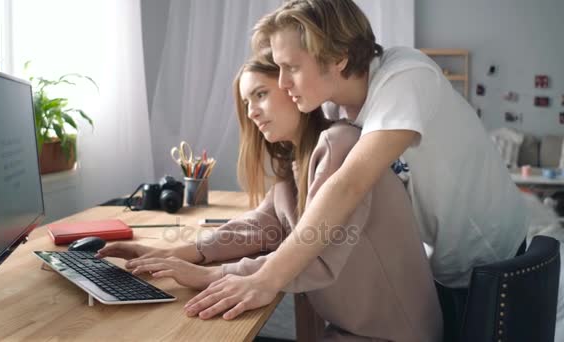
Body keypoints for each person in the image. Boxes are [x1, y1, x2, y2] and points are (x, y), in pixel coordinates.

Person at [182, 0, 535, 338]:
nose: (284, 82)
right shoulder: (339, 110)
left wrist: (267, 279)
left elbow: (348, 185)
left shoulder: (405, 77)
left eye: (291, 67)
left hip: (493, 259)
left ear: (338, 57)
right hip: (445, 264)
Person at [98, 54, 443, 341]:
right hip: (352, 330)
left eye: (260, 94)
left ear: (292, 88)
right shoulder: (294, 167)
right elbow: (257, 226)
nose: (251, 112)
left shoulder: (340, 146)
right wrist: (173, 254)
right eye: (247, 103)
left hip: (394, 335)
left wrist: (211, 275)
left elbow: (313, 255)